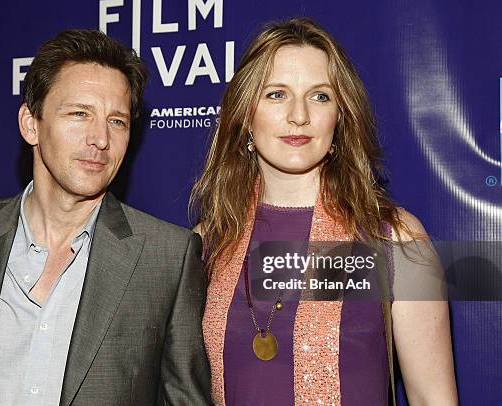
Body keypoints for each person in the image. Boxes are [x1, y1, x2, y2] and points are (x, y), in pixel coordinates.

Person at [0, 29, 211, 405]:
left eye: (117, 121)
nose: (100, 139)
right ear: (31, 123)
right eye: (79, 114)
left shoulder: (168, 257)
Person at [191, 17, 457, 405]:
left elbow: (434, 399)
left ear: (340, 118)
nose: (299, 115)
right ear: (246, 116)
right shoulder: (207, 242)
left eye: (320, 96)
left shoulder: (394, 239)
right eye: (276, 94)